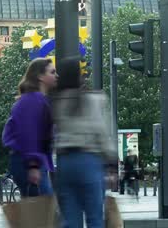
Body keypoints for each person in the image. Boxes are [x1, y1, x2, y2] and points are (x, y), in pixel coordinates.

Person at [53, 77, 116, 228]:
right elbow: (102, 131)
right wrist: (112, 164)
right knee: (94, 217)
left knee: (70, 218)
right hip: (88, 160)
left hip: (65, 161)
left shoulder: (56, 100)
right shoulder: (94, 99)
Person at [2, 58, 58, 197]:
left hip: (29, 161)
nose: (56, 76)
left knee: (37, 211)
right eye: (52, 72)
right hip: (29, 163)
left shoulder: (32, 99)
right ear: (40, 76)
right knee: (43, 210)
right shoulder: (33, 100)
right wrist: (33, 165)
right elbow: (29, 134)